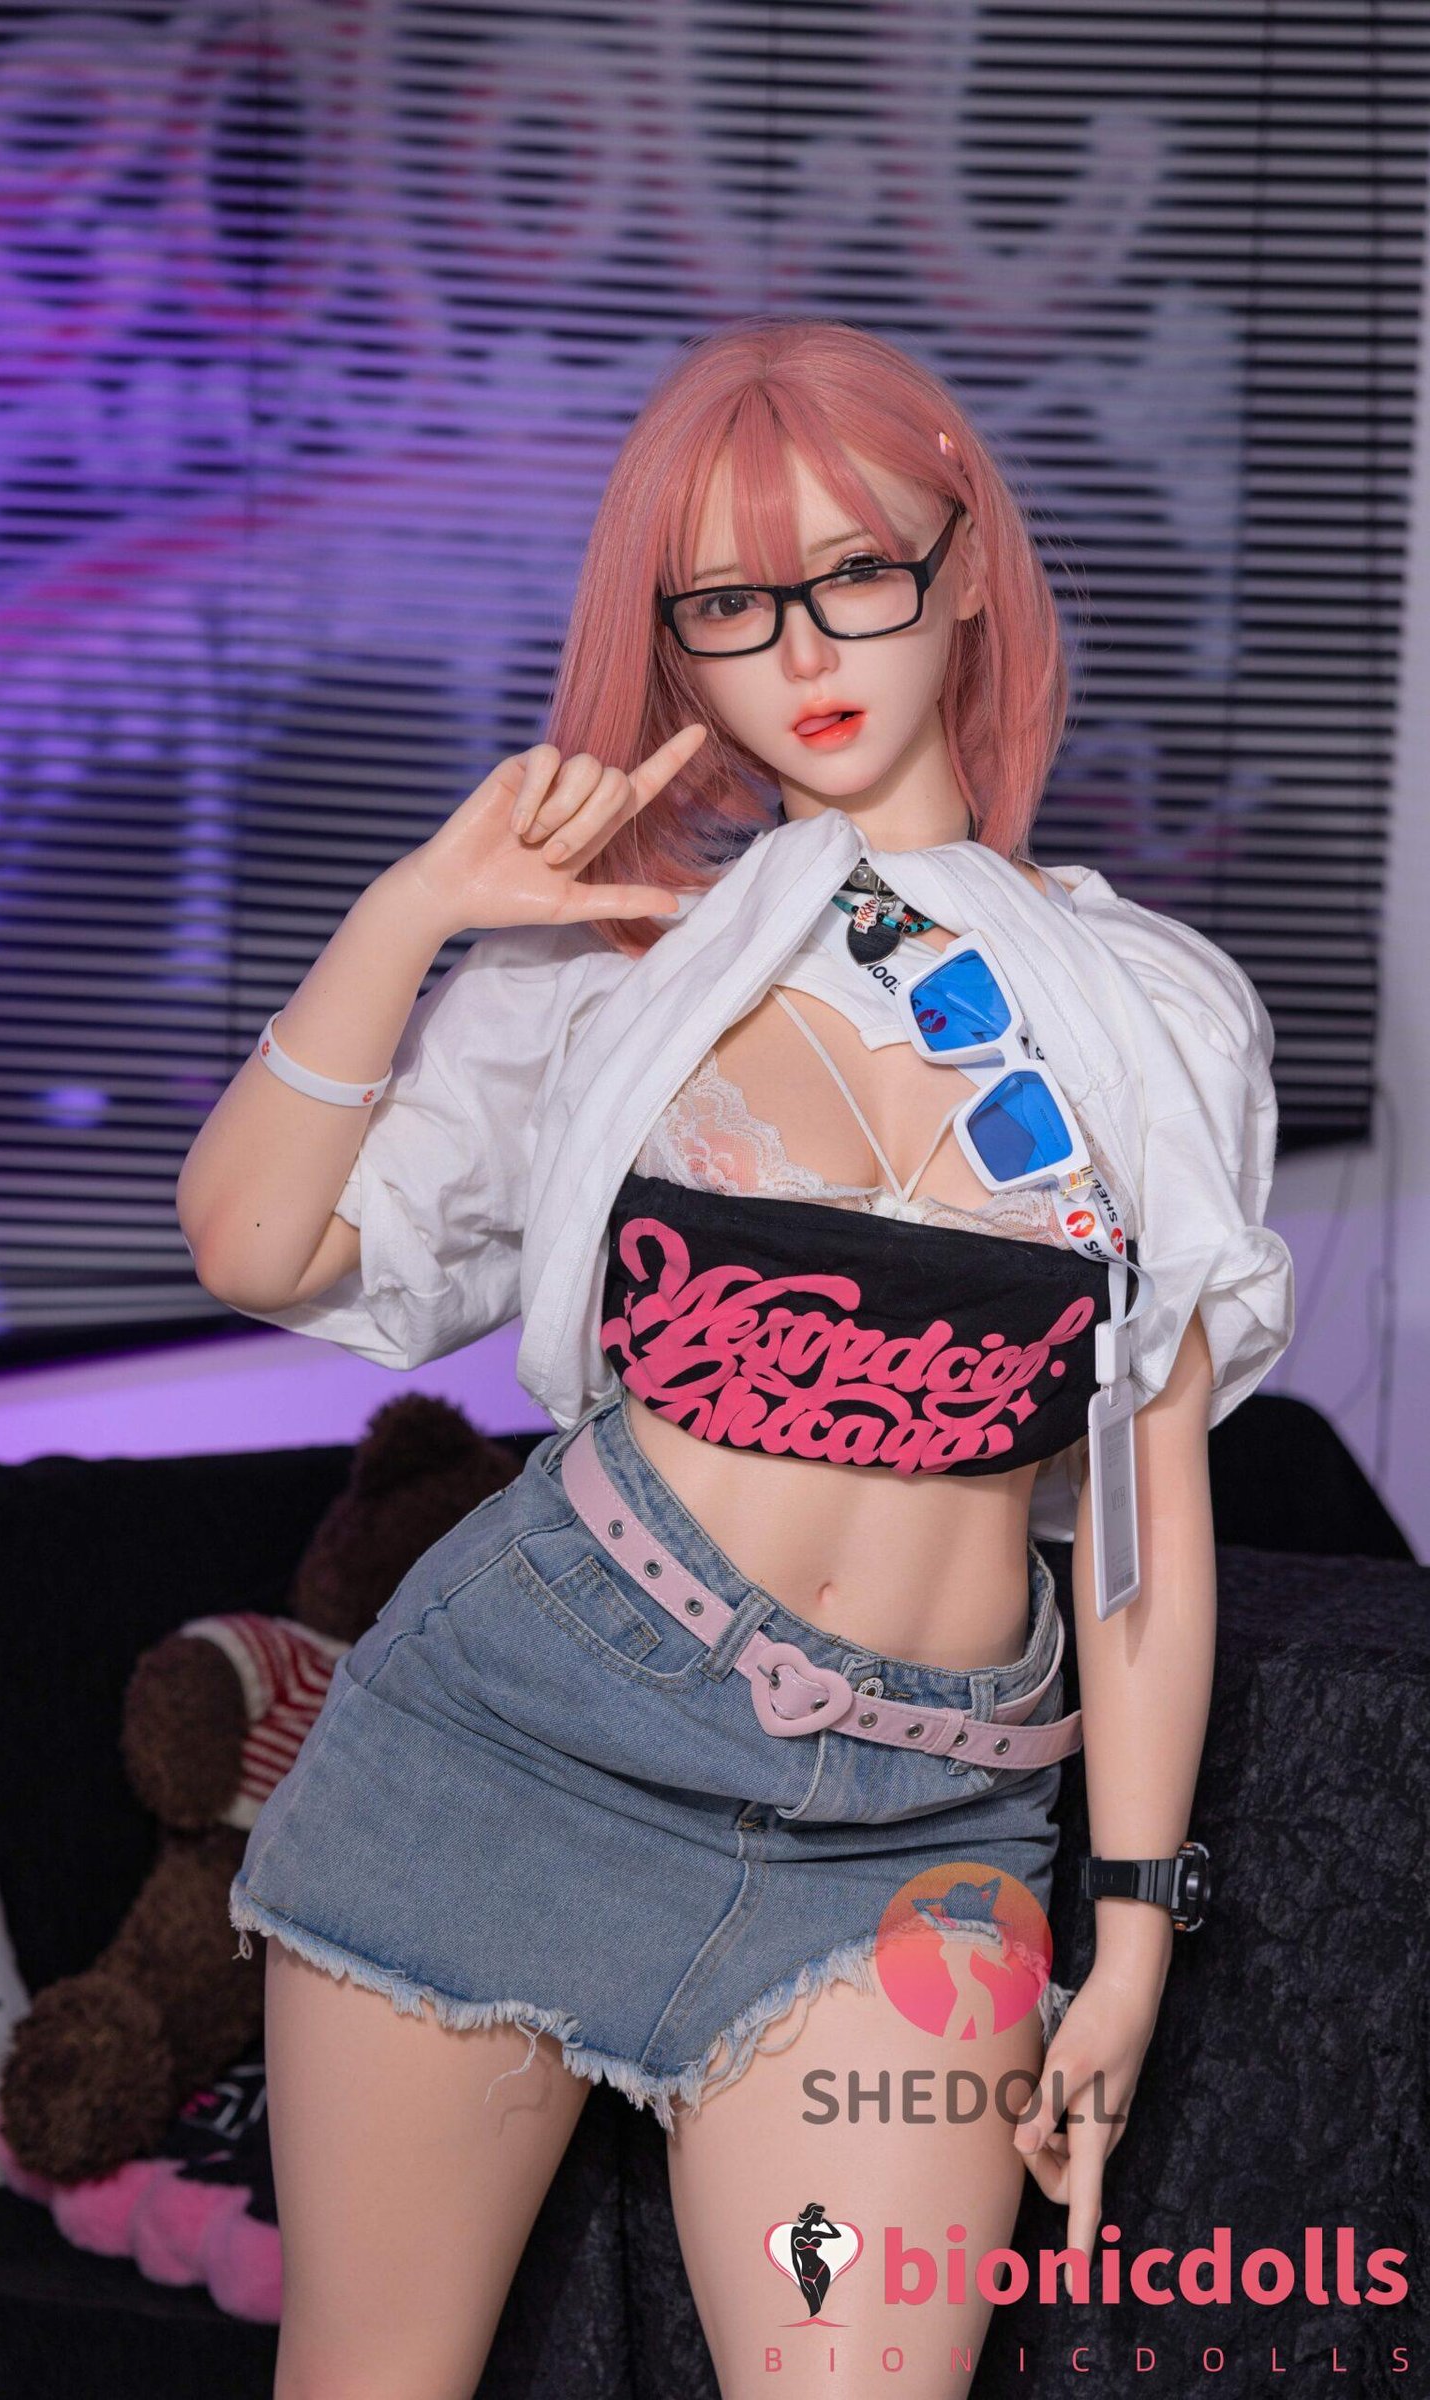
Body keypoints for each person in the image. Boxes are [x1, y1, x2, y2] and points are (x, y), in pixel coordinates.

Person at [176, 316, 1293, 2400]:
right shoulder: (606, 972)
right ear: (671, 644)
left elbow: (1147, 1522)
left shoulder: (1157, 1017)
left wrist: (1135, 1929)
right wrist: (416, 909)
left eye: (856, 571)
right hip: (517, 1744)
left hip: (913, 1836)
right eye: (727, 604)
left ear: (968, 566)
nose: (803, 650)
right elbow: (253, 1244)